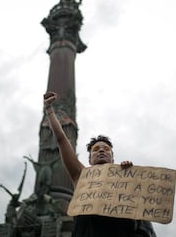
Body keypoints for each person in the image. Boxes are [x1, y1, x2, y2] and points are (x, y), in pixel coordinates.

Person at [44, 91, 157, 237]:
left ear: (113, 158)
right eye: (96, 149)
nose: (101, 151)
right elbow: (61, 139)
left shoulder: (125, 179)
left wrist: (129, 178)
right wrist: (49, 110)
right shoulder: (80, 176)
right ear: (90, 159)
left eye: (106, 149)